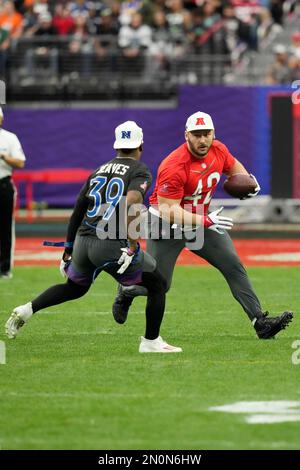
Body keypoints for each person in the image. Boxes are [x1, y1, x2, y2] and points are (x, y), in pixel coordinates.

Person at [112, 111, 293, 339]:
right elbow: (170, 210)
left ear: (213, 133)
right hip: (166, 224)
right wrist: (205, 220)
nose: (202, 140)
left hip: (201, 218)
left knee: (232, 265)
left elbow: (234, 167)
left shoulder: (218, 149)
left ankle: (261, 322)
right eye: (196, 135)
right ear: (186, 135)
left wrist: (248, 182)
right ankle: (127, 289)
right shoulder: (173, 164)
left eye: (206, 134)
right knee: (161, 285)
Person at [5, 121, 182, 353]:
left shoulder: (98, 170)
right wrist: (131, 244)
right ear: (141, 145)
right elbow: (132, 202)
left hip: (82, 241)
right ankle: (151, 342)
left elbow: (78, 211)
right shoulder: (139, 170)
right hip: (109, 243)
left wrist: (68, 248)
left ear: (116, 145)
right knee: (158, 285)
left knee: (75, 287)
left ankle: (27, 309)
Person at [0, 106, 26, 279]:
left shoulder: (9, 138)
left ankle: (4, 268)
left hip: (3, 184)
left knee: (5, 227)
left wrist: (3, 157)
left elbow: (20, 162)